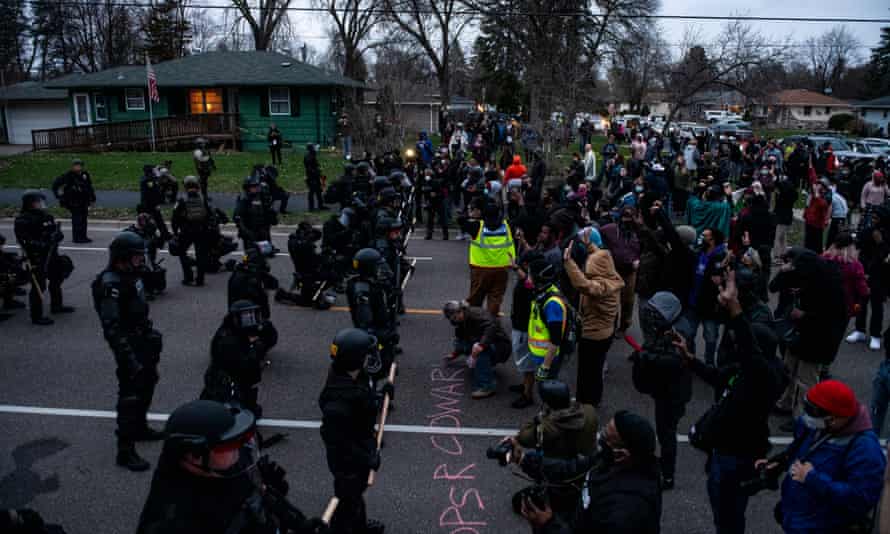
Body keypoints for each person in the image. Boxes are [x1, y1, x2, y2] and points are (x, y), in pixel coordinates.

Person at [674, 269, 781, 534]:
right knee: (721, 511)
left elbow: (747, 346)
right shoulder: (744, 371)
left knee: (730, 517)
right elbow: (718, 376)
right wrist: (690, 359)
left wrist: (735, 308)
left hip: (738, 457)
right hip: (722, 453)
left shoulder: (764, 377)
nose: (734, 346)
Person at [137, 400, 327, 533]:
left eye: (241, 441)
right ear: (194, 455)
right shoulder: (173, 522)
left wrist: (299, 523)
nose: (239, 451)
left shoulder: (228, 468)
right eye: (229, 445)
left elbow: (260, 494)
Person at [758, 380, 885, 534]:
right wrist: (779, 462)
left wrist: (814, 479)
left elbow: (860, 499)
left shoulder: (865, 449)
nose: (806, 417)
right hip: (799, 520)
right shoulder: (816, 426)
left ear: (835, 418)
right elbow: (799, 452)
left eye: (813, 412)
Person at [519, 410, 662, 534]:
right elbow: (571, 470)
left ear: (622, 454)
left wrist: (548, 525)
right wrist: (522, 459)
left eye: (606, 437)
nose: (600, 439)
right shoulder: (610, 459)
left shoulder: (625, 514)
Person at [92, 231, 165, 471]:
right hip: (128, 345)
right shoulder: (110, 283)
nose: (141, 259)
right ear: (122, 257)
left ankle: (140, 428)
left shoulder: (132, 275)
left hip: (143, 339)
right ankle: (125, 451)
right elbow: (111, 327)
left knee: (148, 383)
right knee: (130, 397)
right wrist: (128, 359)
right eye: (136, 256)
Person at [319, 328, 391, 534]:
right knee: (347, 500)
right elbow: (336, 440)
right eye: (366, 354)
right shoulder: (338, 402)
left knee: (356, 495)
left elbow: (363, 405)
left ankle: (359, 527)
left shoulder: (351, 375)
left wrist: (380, 396)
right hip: (347, 461)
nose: (371, 357)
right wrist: (364, 458)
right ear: (354, 359)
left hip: (359, 446)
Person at [773, 248, 847, 427]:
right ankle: (785, 403)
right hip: (801, 334)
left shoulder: (829, 284)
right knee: (788, 370)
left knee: (806, 379)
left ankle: (803, 417)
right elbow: (774, 286)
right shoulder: (811, 273)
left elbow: (832, 317)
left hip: (818, 339)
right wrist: (783, 271)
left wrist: (804, 315)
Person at [510, 380, 598, 524]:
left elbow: (523, 436)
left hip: (558, 472)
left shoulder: (546, 427)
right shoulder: (589, 411)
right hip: (585, 468)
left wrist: (541, 416)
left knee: (518, 502)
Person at [633, 291, 689, 489]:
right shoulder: (669, 328)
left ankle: (667, 475)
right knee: (665, 431)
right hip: (665, 392)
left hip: (672, 395)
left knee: (667, 434)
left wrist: (647, 358)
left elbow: (673, 363)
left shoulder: (678, 334)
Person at [562, 228, 623, 406]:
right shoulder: (611, 274)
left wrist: (569, 263)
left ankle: (587, 403)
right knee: (594, 370)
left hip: (593, 336)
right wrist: (590, 245)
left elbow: (584, 285)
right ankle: (591, 399)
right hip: (604, 333)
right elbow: (600, 256)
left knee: (588, 372)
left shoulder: (601, 286)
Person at [201, 301, 271, 421]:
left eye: (253, 316)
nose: (252, 320)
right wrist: (256, 348)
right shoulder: (227, 340)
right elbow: (244, 365)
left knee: (252, 410)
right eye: (247, 317)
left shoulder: (237, 332)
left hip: (235, 380)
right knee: (241, 416)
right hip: (227, 384)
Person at [14, 190, 73, 325]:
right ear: (30, 204)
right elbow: (25, 241)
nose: (41, 204)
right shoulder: (23, 220)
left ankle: (56, 306)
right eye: (38, 202)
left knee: (57, 278)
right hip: (37, 257)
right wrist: (45, 244)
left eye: (41, 202)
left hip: (52, 254)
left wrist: (57, 236)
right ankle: (36, 316)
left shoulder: (46, 216)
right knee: (38, 286)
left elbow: (56, 232)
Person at [443, 300, 511, 399]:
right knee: (460, 343)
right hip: (485, 341)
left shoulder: (476, 314)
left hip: (501, 346)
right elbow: (462, 339)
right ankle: (483, 365)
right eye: (450, 319)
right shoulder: (461, 321)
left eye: (453, 317)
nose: (452, 320)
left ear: (459, 311)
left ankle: (487, 386)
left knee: (480, 352)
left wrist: (481, 345)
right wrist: (454, 354)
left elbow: (492, 326)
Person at [348, 248, 399, 380]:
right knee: (378, 372)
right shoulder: (362, 293)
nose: (380, 270)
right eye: (377, 267)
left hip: (381, 325)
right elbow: (366, 325)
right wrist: (386, 336)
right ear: (368, 269)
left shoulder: (370, 282)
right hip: (375, 334)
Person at [678, 227, 726, 366]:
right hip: (693, 303)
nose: (701, 238)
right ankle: (691, 359)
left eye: (704, 236)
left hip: (711, 307)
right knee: (689, 334)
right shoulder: (698, 252)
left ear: (712, 239)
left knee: (710, 337)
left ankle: (709, 364)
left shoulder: (722, 256)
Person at [460, 201, 515, 316]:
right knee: (495, 297)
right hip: (502, 268)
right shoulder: (507, 225)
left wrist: (471, 215)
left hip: (480, 269)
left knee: (476, 298)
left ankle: (475, 321)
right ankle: (491, 322)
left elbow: (460, 221)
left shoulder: (476, 226)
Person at [526, 259, 571, 383]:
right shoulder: (542, 292)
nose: (527, 278)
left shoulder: (552, 304)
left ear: (538, 278)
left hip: (548, 359)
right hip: (541, 355)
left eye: (529, 275)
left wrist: (545, 367)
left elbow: (555, 339)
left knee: (548, 391)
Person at [171, 176, 212, 287]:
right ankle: (200, 279)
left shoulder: (182, 200)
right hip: (201, 231)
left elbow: (174, 218)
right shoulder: (203, 198)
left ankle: (188, 277)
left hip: (186, 231)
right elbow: (210, 215)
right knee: (201, 255)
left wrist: (175, 232)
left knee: (181, 251)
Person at [51, 158, 95, 243]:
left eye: (80, 165)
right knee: (77, 219)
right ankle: (77, 238)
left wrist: (92, 198)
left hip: (84, 200)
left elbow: (89, 187)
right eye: (76, 165)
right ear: (73, 167)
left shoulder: (85, 174)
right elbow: (56, 184)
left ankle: (83, 236)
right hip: (73, 201)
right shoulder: (68, 175)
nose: (78, 167)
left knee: (83, 219)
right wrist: (59, 196)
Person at [234, 175, 278, 250]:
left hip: (262, 230)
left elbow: (268, 211)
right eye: (253, 187)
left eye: (256, 186)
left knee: (267, 252)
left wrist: (272, 214)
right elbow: (237, 217)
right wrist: (245, 231)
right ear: (247, 188)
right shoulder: (244, 199)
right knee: (252, 255)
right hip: (250, 231)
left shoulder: (261, 196)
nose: (256, 188)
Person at [138, 164, 171, 241]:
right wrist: (158, 176)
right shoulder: (148, 180)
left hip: (149, 204)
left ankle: (164, 234)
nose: (154, 171)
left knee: (156, 220)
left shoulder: (146, 178)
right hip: (149, 205)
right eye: (153, 170)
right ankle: (163, 235)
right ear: (149, 172)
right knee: (156, 221)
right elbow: (153, 191)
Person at [803, 179, 830, 253]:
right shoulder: (813, 196)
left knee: (816, 245)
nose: (817, 186)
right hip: (809, 222)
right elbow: (807, 206)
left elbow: (822, 205)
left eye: (819, 185)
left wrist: (817, 193)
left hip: (817, 226)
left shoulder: (825, 198)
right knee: (808, 243)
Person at [305, 143, 328, 211]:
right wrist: (317, 173)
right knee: (312, 192)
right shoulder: (308, 156)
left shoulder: (313, 155)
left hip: (315, 176)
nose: (314, 148)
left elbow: (315, 166)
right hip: (311, 177)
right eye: (313, 147)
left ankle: (320, 206)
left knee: (318, 191)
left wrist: (319, 174)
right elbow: (309, 168)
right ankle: (311, 207)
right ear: (310, 149)